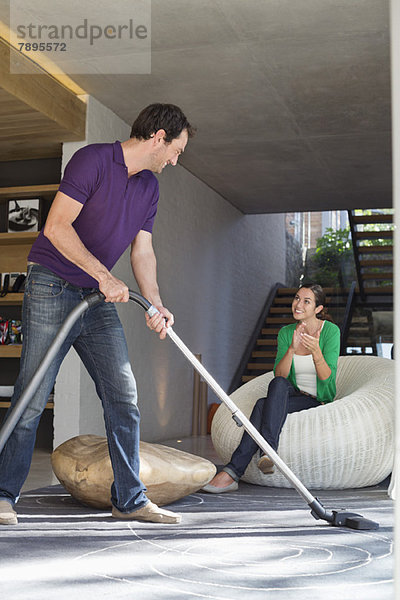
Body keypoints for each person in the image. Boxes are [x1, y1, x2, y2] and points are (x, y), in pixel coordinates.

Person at [0, 103, 195, 525]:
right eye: (176, 149)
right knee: (33, 396)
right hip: (52, 285)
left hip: (96, 295)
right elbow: (56, 227)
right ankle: (3, 495)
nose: (177, 160)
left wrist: (156, 303)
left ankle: (130, 499)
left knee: (123, 395)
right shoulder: (92, 160)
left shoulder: (149, 188)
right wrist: (105, 277)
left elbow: (142, 251)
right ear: (159, 137)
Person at [202, 283, 340, 493]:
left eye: (306, 301)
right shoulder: (286, 332)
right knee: (277, 383)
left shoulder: (330, 331)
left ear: (318, 309)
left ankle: (232, 473)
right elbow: (280, 375)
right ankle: (267, 453)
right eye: (296, 298)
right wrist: (292, 349)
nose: (298, 304)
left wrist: (316, 352)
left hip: (316, 398)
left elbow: (327, 377)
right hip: (291, 395)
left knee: (260, 405)